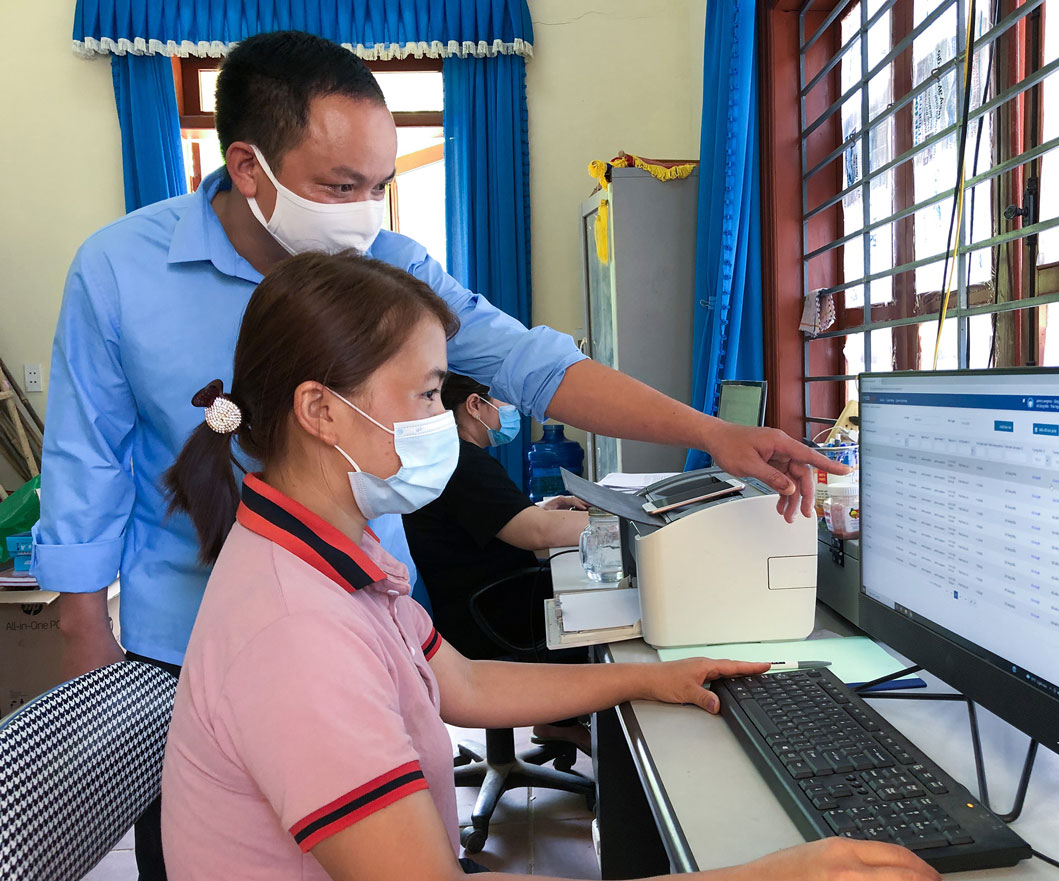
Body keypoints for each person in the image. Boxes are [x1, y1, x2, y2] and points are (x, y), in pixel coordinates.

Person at [31, 29, 849, 878]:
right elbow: (84, 458)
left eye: (380, 185)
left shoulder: (347, 552)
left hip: (317, 590)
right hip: (206, 640)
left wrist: (709, 438)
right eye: (340, 186)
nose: (365, 214)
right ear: (247, 167)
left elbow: (531, 365)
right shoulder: (122, 271)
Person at [159, 251, 937, 881]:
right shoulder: (295, 634)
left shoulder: (325, 553)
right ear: (321, 409)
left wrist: (647, 677)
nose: (445, 418)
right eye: (430, 393)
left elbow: (460, 684)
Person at [403, 372, 587, 661]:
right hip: (495, 624)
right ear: (475, 405)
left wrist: (537, 512)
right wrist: (620, 520)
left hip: (484, 610)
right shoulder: (462, 462)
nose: (514, 412)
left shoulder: (454, 457)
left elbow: (484, 521)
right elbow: (537, 533)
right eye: (507, 402)